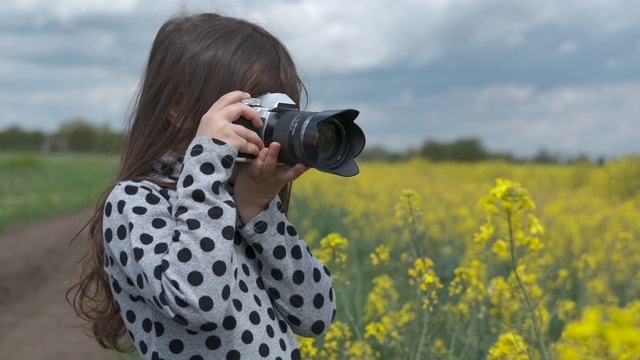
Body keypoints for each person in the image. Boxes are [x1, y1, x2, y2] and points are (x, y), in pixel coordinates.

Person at [67, 12, 336, 360]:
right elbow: (199, 303)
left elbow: (317, 316)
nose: (266, 127)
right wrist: (208, 161)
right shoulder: (136, 200)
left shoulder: (233, 201)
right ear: (178, 107)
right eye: (255, 108)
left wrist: (259, 212)